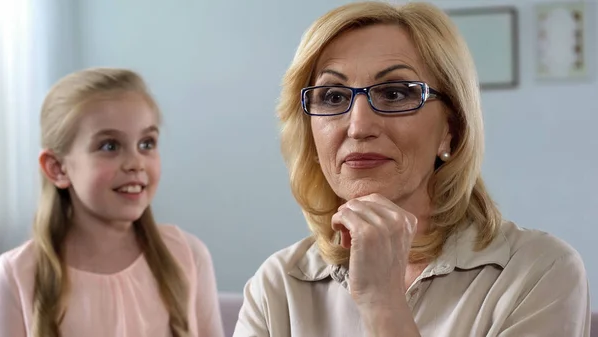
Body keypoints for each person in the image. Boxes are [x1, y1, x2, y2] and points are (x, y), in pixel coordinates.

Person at [233, 2, 591, 337]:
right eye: (333, 97)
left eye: (395, 94)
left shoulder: (540, 272)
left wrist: (382, 303)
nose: (358, 127)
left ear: (451, 129)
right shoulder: (277, 286)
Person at [0, 68, 225, 337]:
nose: (136, 163)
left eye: (147, 143)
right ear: (57, 168)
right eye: (110, 146)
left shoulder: (188, 256)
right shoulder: (16, 276)